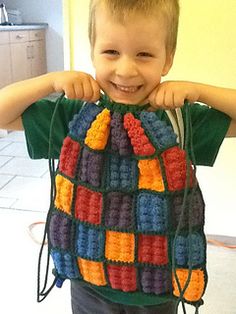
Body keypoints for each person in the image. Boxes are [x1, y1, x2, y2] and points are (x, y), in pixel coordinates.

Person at [0, 0, 236, 313]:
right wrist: (50, 81)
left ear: (168, 59)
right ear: (93, 50)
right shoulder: (76, 116)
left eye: (145, 54)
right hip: (88, 280)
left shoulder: (178, 119)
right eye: (111, 52)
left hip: (158, 285)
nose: (125, 69)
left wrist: (199, 91)